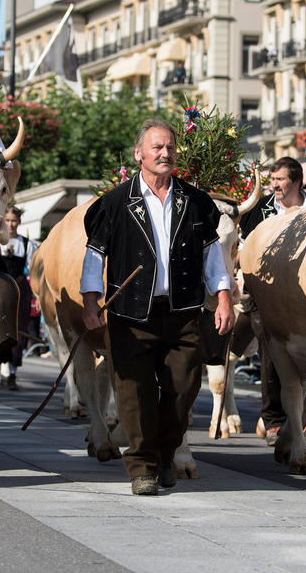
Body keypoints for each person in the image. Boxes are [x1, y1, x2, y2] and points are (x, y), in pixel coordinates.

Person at [80, 118, 234, 496]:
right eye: (156, 147)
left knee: (183, 390)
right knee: (134, 394)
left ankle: (165, 455)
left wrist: (224, 297)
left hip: (182, 313)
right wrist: (90, 302)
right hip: (130, 314)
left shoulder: (195, 202)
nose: (165, 153)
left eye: (169, 148)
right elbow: (94, 256)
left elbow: (212, 256)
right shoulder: (114, 203)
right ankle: (142, 468)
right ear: (139, 154)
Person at [238, 157, 306, 449]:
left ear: (297, 181)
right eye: (272, 180)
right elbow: (243, 248)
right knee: (270, 346)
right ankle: (274, 418)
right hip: (266, 290)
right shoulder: (258, 211)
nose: (274, 185)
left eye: (280, 180)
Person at [0, 205, 38, 390]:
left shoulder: (26, 244)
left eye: (14, 221)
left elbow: (32, 270)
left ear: (19, 222)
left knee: (18, 329)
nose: (11, 224)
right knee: (0, 327)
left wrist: (36, 295)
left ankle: (13, 373)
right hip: (1, 286)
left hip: (21, 288)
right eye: (7, 220)